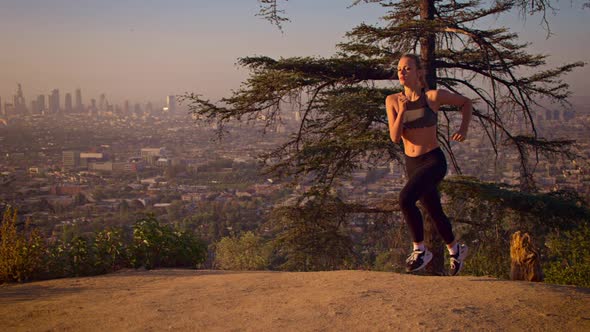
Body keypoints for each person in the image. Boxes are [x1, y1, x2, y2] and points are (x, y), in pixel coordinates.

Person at [385, 54, 472, 275]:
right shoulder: (393, 101)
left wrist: (463, 129)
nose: (402, 73)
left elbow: (465, 103)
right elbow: (395, 137)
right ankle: (455, 249)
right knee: (434, 210)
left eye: (407, 69)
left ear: (419, 72)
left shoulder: (432, 97)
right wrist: (402, 111)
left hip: (433, 160)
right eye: (399, 69)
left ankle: (420, 250)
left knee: (405, 199)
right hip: (412, 163)